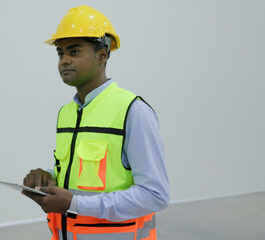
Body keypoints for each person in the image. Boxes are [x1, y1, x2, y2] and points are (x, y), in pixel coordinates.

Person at [22, 5, 169, 240]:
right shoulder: (67, 112)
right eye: (60, 53)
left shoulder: (133, 111)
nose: (65, 61)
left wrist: (77, 204)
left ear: (102, 55)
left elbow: (155, 195)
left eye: (75, 52)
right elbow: (79, 176)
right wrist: (46, 176)